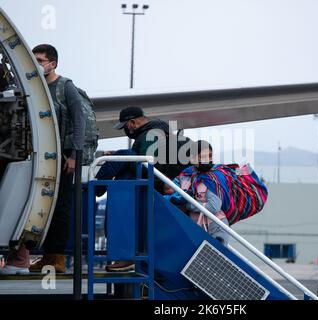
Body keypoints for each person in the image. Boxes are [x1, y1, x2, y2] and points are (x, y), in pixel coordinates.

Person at [0, 44, 85, 274]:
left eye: (40, 59)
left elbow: (80, 122)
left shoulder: (65, 87)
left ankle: (55, 258)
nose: (37, 63)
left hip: (63, 157)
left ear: (52, 63)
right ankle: (26, 257)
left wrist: (75, 156)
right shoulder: (31, 88)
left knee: (60, 207)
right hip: (38, 158)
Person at [96, 106, 192, 271]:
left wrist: (118, 157)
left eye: (124, 127)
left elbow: (146, 165)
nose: (125, 131)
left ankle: (97, 188)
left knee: (123, 157)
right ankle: (98, 187)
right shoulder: (154, 132)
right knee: (122, 157)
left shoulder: (149, 136)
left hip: (160, 184)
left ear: (132, 123)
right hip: (162, 183)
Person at [166, 140, 230, 246]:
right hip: (195, 229)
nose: (207, 160)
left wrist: (188, 205)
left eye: (209, 156)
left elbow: (214, 206)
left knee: (214, 260)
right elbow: (172, 191)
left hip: (216, 228)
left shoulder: (214, 177)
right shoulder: (185, 175)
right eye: (202, 156)